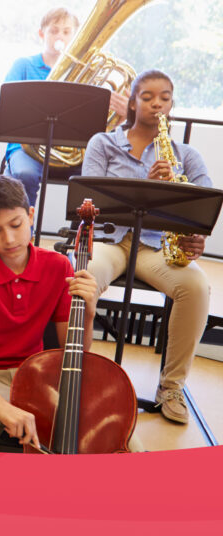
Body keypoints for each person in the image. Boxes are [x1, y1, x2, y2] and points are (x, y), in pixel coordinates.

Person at [81, 69, 212, 424]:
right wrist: (146, 185)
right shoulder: (103, 143)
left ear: (172, 104)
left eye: (165, 97)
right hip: (110, 239)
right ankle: (75, 376)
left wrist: (196, 235)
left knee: (197, 286)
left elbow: (204, 208)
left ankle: (171, 388)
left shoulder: (186, 155)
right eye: (148, 96)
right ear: (132, 102)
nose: (157, 104)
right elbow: (88, 200)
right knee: (85, 277)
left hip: (155, 247)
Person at [0, 175, 106, 451]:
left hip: (36, 375)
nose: (9, 238)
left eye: (16, 225)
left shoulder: (59, 266)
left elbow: (74, 350)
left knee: (103, 432)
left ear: (30, 215)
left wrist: (87, 312)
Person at [2, 7, 128, 207]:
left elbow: (96, 126)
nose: (59, 35)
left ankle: (78, 235)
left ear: (76, 36)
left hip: (72, 153)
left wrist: (120, 117)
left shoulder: (91, 73)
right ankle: (25, 235)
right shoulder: (23, 65)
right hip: (28, 150)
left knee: (95, 180)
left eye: (66, 31)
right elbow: (7, 106)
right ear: (42, 34)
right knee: (24, 174)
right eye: (53, 30)